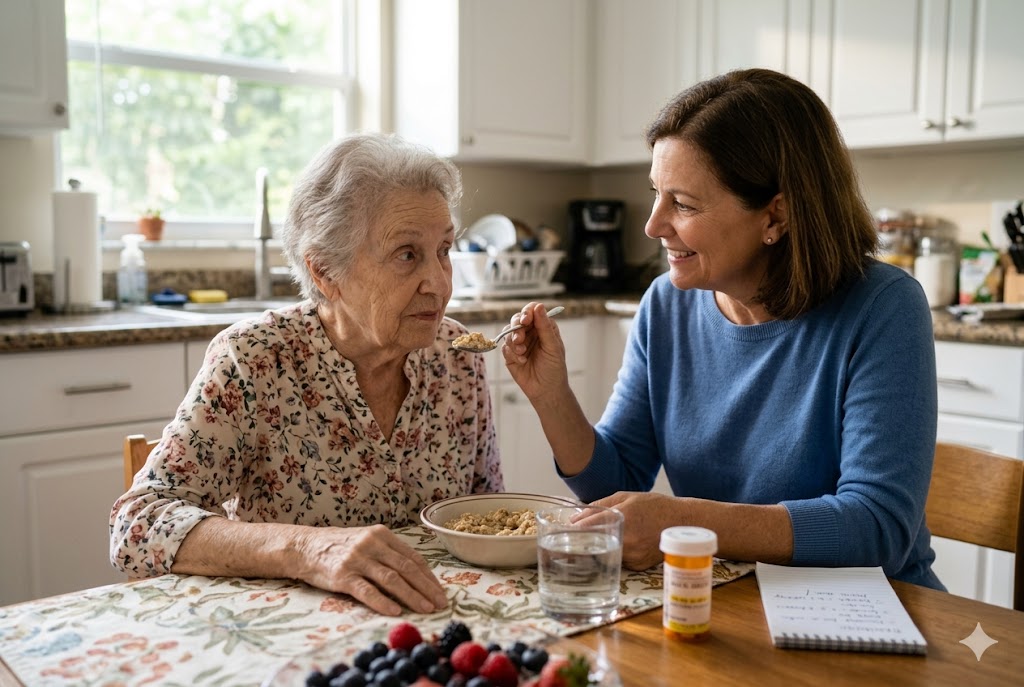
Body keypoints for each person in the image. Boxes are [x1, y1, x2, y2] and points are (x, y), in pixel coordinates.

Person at [503, 68, 943, 590]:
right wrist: (552, 396)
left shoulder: (883, 307)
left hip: (872, 612)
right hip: (728, 600)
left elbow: (877, 527)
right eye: (656, 194)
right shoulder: (666, 304)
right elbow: (615, 484)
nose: (652, 225)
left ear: (775, 216)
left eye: (683, 204)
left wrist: (686, 521)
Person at [110, 133, 504, 616]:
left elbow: (488, 514)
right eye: (407, 254)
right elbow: (137, 526)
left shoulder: (458, 355)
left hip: (433, 626)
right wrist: (307, 549)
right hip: (292, 636)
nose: (439, 284)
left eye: (444, 250)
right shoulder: (254, 359)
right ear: (324, 271)